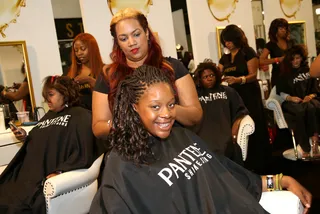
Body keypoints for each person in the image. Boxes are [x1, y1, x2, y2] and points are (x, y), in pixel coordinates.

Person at [89, 65, 312, 214]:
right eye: (155, 107)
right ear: (134, 107)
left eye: (171, 104)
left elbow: (227, 174)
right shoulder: (123, 163)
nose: (167, 114)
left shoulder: (181, 135)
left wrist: (280, 180)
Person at [92, 8, 202, 139]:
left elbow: (195, 115)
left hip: (174, 146)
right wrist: (126, 121)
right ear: (118, 43)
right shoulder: (108, 75)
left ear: (147, 33)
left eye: (136, 34)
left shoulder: (173, 67)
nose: (131, 42)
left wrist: (165, 108)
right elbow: (98, 127)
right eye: (123, 38)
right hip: (130, 150)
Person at [0, 76, 102, 214]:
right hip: (28, 176)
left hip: (44, 179)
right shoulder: (49, 115)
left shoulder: (81, 115)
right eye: (45, 96)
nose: (47, 99)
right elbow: (42, 141)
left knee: (19, 206)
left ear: (65, 93)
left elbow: (83, 150)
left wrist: (61, 171)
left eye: (51, 95)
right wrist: (25, 136)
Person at [218, 24, 271, 174]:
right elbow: (217, 72)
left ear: (236, 39)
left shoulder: (248, 52)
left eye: (229, 40)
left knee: (253, 124)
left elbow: (253, 75)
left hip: (248, 93)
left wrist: (239, 80)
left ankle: (259, 163)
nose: (227, 44)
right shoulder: (226, 57)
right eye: (225, 41)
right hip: (232, 96)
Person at [191, 62, 249, 165]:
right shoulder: (195, 95)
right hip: (203, 133)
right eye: (205, 77)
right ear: (200, 79)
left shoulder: (228, 91)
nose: (209, 78)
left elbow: (241, 111)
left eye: (212, 75)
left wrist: (235, 129)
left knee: (227, 149)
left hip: (224, 132)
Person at [276, 45, 320, 159]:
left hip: (309, 100)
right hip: (292, 102)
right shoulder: (284, 74)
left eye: (298, 58)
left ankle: (314, 141)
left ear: (302, 58)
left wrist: (310, 96)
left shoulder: (308, 71)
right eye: (293, 59)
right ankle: (305, 146)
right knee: (300, 111)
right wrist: (291, 98)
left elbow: (315, 90)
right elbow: (281, 92)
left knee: (311, 107)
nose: (296, 61)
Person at [67, 33, 104, 110]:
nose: (79, 53)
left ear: (92, 49)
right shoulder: (70, 72)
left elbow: (110, 94)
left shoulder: (105, 70)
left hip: (99, 112)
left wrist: (89, 80)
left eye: (83, 49)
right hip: (78, 116)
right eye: (76, 50)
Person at [259, 18, 293, 87]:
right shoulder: (271, 44)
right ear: (275, 30)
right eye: (281, 28)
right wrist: (277, 59)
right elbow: (261, 60)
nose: (284, 30)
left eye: (285, 28)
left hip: (292, 74)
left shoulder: (291, 42)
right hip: (278, 76)